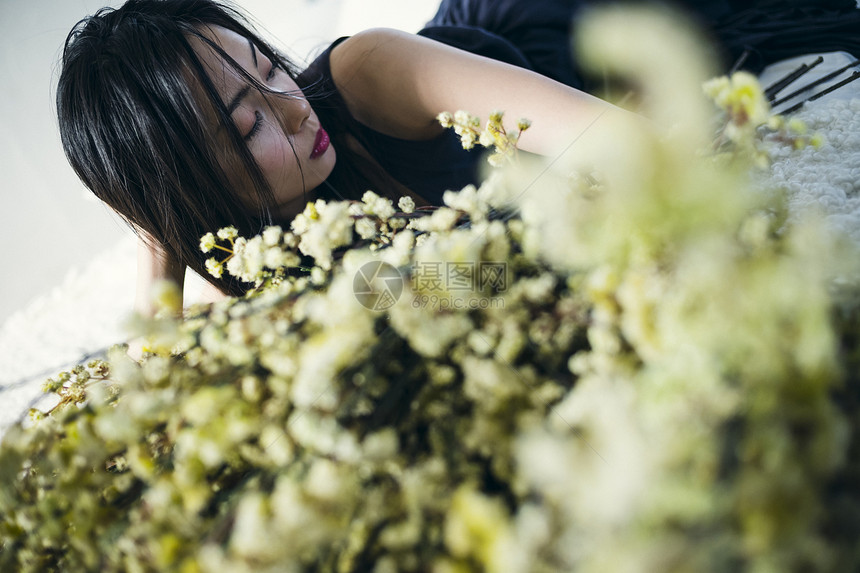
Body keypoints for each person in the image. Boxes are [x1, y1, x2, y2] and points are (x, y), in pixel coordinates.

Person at [57, 0, 860, 314]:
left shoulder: (366, 72)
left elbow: (629, 151)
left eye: (269, 68)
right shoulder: (238, 245)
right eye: (246, 124)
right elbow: (155, 339)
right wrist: (159, 232)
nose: (292, 108)